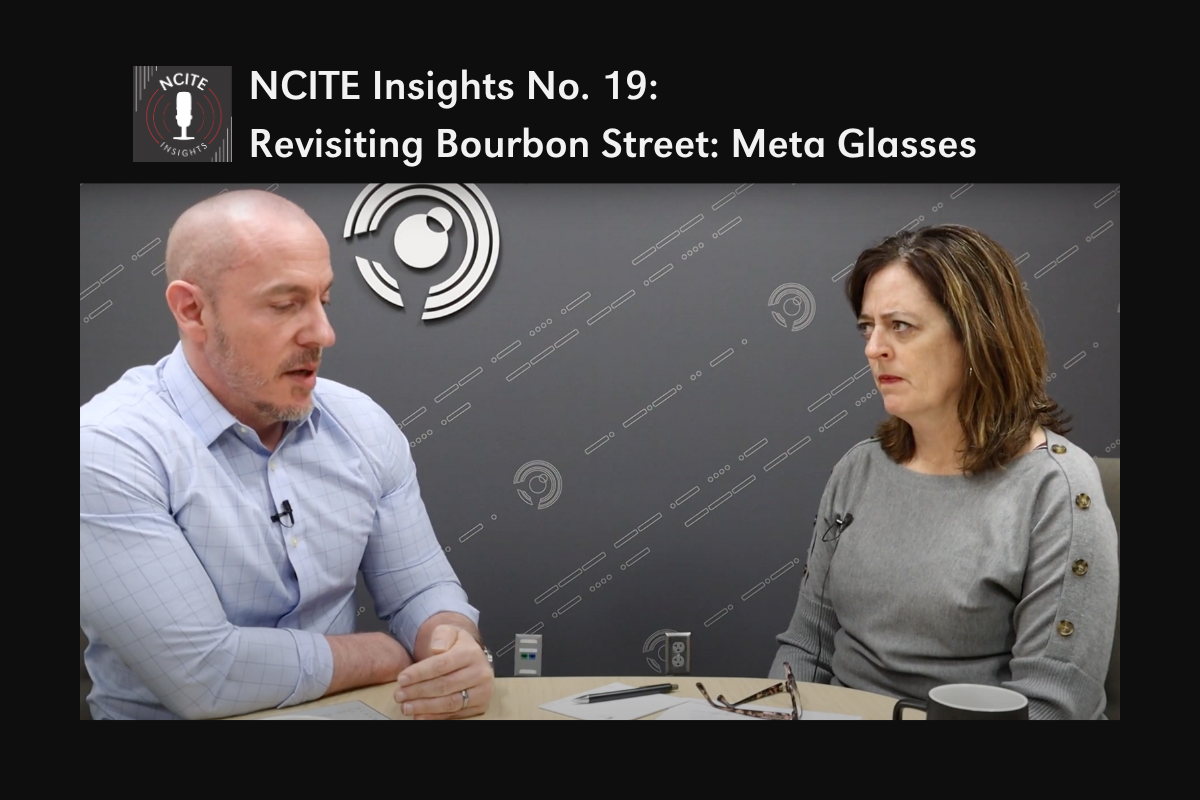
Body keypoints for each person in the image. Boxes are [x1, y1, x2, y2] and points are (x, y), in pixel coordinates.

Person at [80, 189, 494, 720]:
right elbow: (208, 676)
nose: (323, 332)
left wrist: (451, 647)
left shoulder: (361, 423)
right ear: (192, 310)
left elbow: (423, 588)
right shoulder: (109, 448)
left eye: (324, 298)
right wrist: (384, 653)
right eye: (285, 304)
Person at [769, 224, 1119, 719]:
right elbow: (807, 649)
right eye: (868, 327)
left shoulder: (1058, 490)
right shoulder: (858, 469)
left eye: (901, 326)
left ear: (977, 338)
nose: (874, 348)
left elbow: (1053, 705)